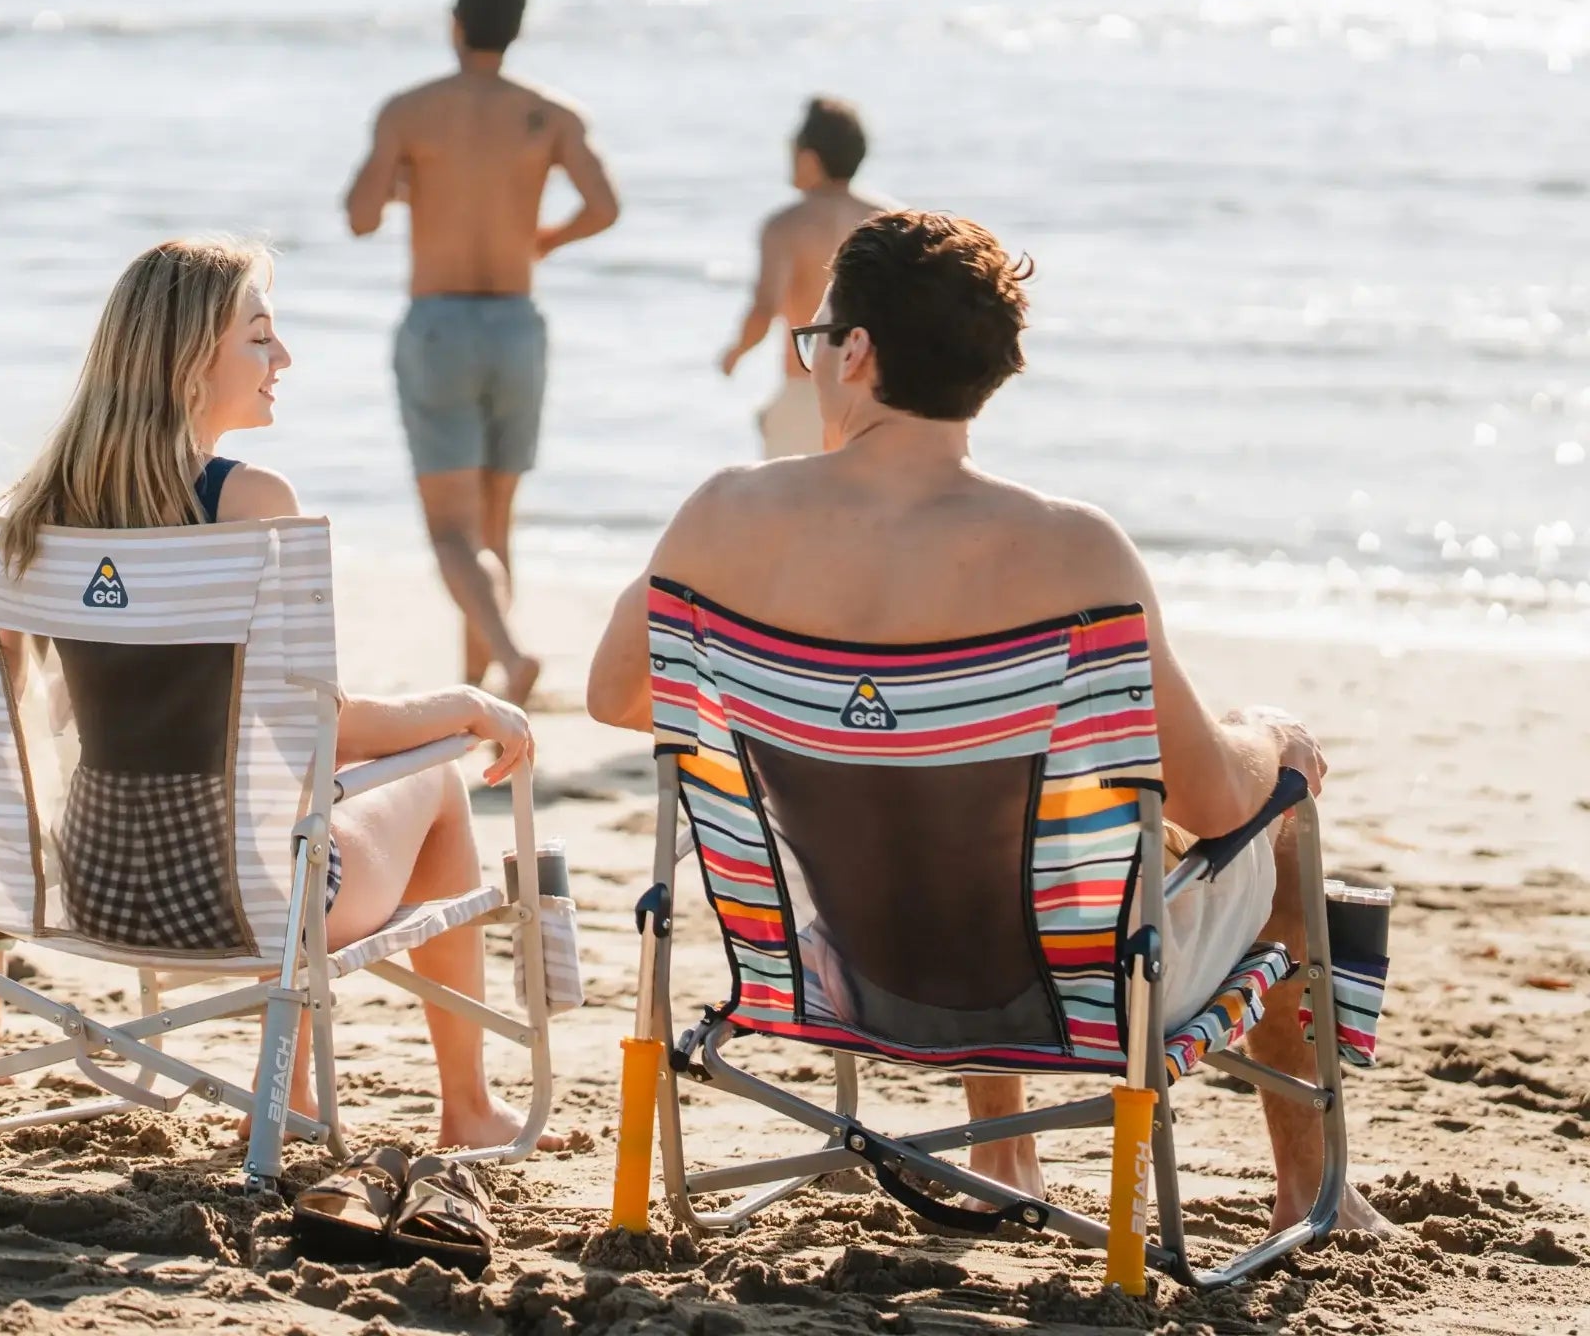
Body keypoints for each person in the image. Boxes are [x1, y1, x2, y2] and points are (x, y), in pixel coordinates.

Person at [588, 210, 1390, 1236]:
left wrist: (799, 685)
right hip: (1065, 991)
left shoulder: (722, 515)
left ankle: (1002, 1154)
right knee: (1273, 826)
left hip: (838, 963)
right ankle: (1312, 1189)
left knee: (942, 810)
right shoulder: (1071, 548)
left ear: (857, 351)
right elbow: (1215, 796)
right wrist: (1271, 733)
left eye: (815, 337)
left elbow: (614, 692)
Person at [0, 235, 538, 1149]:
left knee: (264, 806)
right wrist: (464, 706)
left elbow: (19, 704)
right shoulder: (246, 503)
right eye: (259, 337)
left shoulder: (42, 506)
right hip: (240, 904)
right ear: (190, 361)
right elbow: (321, 730)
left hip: (91, 884)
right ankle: (468, 1110)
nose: (282, 358)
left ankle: (303, 1092)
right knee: (435, 781)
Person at [344, 0, 620, 704]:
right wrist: (544, 241)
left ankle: (509, 652)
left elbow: (360, 216)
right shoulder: (551, 114)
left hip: (440, 326)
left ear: (454, 22)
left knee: (449, 531)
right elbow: (604, 207)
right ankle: (480, 683)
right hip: (517, 326)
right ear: (518, 27)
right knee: (497, 521)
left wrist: (411, 186)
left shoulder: (410, 110)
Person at [718, 96, 883, 459]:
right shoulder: (891, 219)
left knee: (790, 511)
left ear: (809, 158)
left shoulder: (786, 226)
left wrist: (736, 353)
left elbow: (765, 308)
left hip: (809, 390)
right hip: (876, 398)